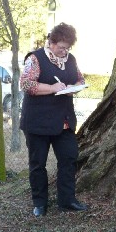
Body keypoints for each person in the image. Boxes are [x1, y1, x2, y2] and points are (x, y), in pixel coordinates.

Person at [20, 22, 88, 217]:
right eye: (61, 47)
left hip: (63, 121)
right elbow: (26, 84)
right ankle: (40, 203)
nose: (64, 51)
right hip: (37, 121)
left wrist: (75, 87)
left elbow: (79, 79)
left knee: (69, 158)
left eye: (67, 48)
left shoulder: (70, 59)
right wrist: (52, 88)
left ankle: (67, 201)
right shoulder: (36, 58)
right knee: (38, 163)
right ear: (51, 42)